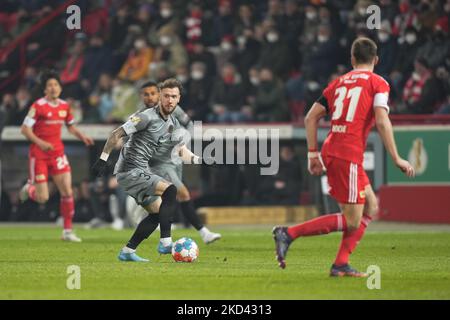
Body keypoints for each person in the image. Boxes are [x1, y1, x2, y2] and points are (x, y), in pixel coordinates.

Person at [272, 37, 415, 277]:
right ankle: (288, 233)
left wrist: (312, 154)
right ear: (376, 60)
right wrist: (397, 157)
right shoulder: (379, 83)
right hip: (346, 153)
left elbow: (310, 118)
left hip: (335, 149)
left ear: (352, 59)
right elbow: (381, 120)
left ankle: (340, 263)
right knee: (351, 220)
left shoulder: (338, 83)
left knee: (372, 205)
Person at [91, 78, 203, 262]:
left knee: (158, 214)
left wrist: (202, 159)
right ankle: (166, 243)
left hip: (142, 170)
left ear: (179, 99)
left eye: (173, 96)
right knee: (171, 190)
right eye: (166, 96)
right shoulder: (144, 117)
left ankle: (128, 251)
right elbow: (116, 133)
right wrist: (103, 159)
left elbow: (180, 150)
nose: (169, 100)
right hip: (129, 169)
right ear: (160, 97)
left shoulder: (172, 122)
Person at [128, 81, 221, 244]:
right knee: (182, 193)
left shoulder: (174, 109)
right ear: (141, 96)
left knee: (178, 196)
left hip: (175, 160)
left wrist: (185, 140)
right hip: (159, 163)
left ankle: (157, 226)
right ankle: (194, 234)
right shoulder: (140, 116)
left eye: (153, 93)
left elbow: (190, 125)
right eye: (146, 94)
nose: (150, 97)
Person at [19, 70, 94, 242]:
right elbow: (25, 130)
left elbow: (71, 126)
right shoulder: (37, 106)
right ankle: (28, 189)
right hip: (39, 155)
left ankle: (67, 231)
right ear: (45, 90)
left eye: (56, 85)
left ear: (60, 88)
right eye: (50, 85)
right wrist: (41, 143)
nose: (53, 88)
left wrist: (83, 136)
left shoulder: (64, 106)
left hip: (58, 153)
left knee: (67, 192)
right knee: (42, 197)